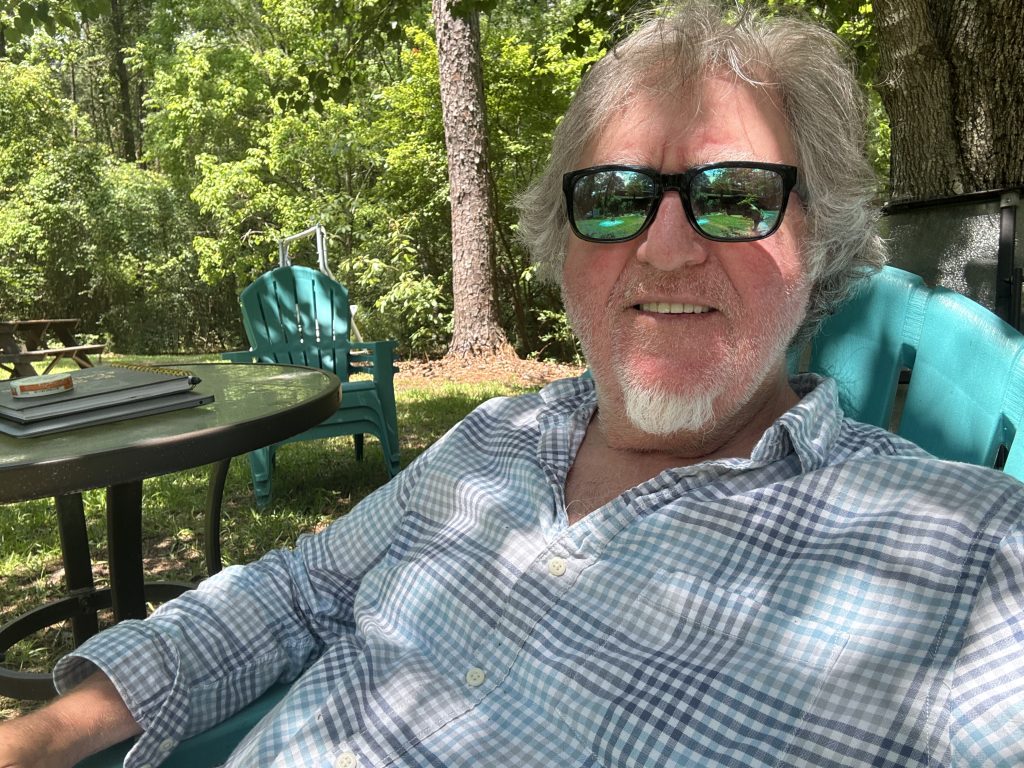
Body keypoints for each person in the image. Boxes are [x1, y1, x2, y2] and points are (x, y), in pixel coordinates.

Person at [4, 1, 1024, 766]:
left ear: (821, 238)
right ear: (562, 244)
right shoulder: (493, 437)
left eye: (735, 195)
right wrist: (42, 736)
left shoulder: (974, 557)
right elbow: (299, 589)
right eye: (615, 195)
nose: (668, 248)